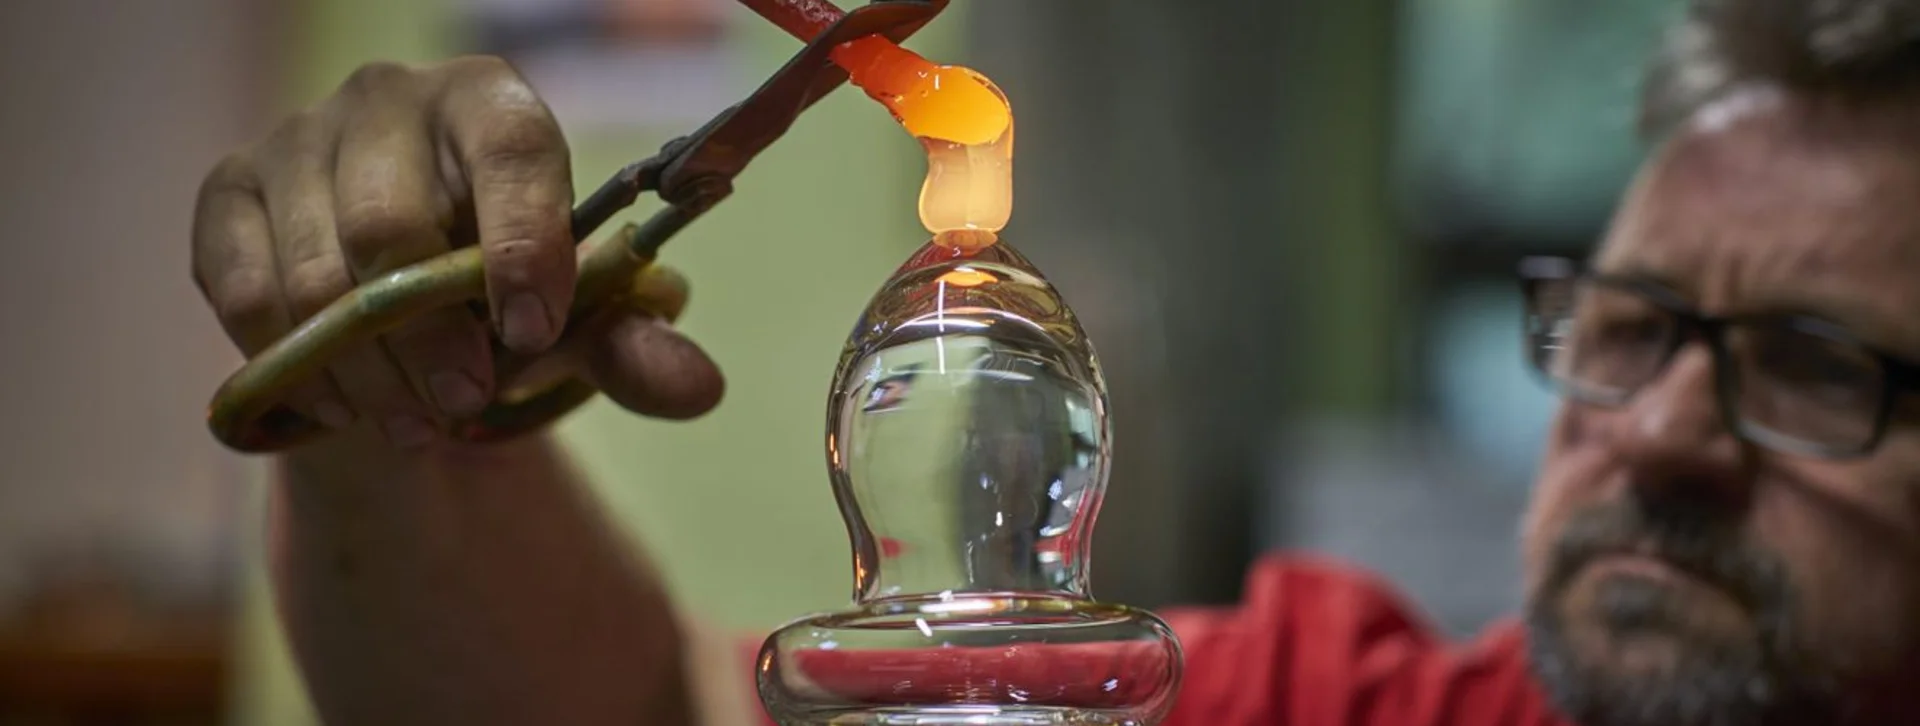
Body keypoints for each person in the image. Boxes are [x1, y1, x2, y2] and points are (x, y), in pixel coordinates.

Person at [187, 0, 1920, 724]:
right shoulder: (1335, 698)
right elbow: (620, 712)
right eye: (1627, 326)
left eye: (1823, 363)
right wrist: (387, 426)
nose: (1669, 430)